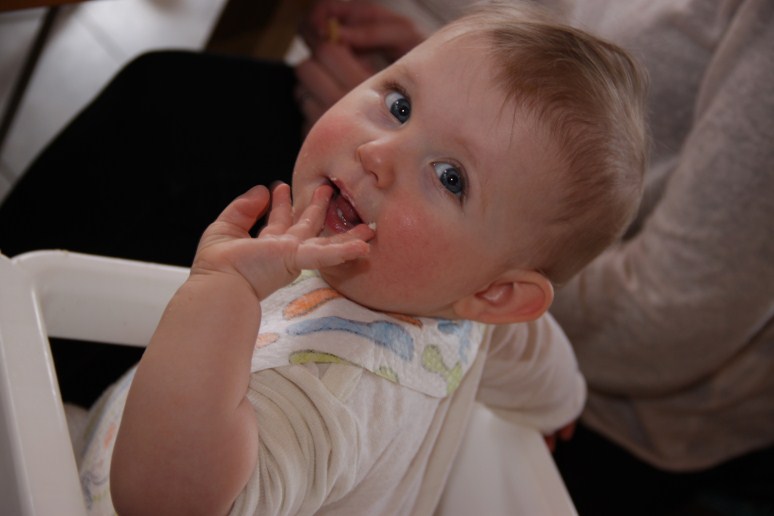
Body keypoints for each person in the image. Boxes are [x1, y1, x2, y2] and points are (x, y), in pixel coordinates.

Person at [76, 4, 647, 514]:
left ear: (496, 295)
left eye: (450, 178)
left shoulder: (335, 394)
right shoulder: (469, 313)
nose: (377, 154)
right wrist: (559, 403)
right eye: (399, 106)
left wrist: (219, 292)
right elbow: (537, 354)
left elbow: (163, 502)